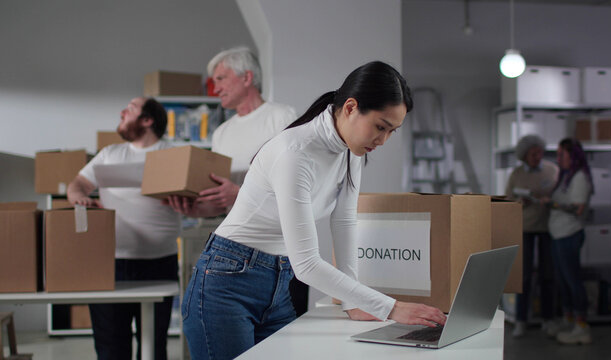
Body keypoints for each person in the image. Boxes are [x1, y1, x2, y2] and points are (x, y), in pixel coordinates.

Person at [181, 61, 447, 360]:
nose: (383, 140)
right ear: (350, 107)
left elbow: (344, 221)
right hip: (227, 283)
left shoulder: (351, 151)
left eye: (392, 132)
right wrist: (391, 307)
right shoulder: (295, 153)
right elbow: (306, 264)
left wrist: (353, 301)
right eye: (380, 127)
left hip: (277, 284)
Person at [164, 47, 310, 316]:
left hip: (283, 253)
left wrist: (239, 194)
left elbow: (298, 185)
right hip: (239, 255)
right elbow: (226, 199)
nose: (214, 87)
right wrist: (199, 209)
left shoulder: (283, 117)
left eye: (220, 78)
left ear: (247, 78)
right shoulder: (222, 133)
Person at [67, 97, 180, 360]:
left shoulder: (174, 155)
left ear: (147, 120)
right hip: (111, 264)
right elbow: (76, 185)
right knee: (111, 347)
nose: (121, 112)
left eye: (129, 109)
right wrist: (79, 199)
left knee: (153, 346)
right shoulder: (110, 154)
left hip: (159, 264)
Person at [540, 138, 593, 345]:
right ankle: (568, 319)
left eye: (562, 154)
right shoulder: (566, 177)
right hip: (558, 235)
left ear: (573, 156)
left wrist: (550, 203)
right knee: (563, 282)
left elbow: (578, 208)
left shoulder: (580, 178)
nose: (559, 158)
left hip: (569, 235)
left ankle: (581, 326)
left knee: (572, 281)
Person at [505, 135, 558, 338]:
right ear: (524, 155)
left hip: (547, 229)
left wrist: (548, 199)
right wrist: (521, 201)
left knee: (548, 275)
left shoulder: (552, 170)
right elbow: (508, 201)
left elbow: (559, 193)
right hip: (524, 228)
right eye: (533, 153)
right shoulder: (516, 175)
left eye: (540, 153)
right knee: (524, 276)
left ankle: (548, 319)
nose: (538, 156)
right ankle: (521, 320)